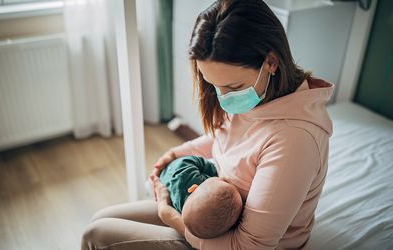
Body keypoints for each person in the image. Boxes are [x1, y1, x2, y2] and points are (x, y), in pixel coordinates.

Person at [81, 0, 334, 249]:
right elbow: (229, 139)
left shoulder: (294, 141)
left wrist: (173, 219)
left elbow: (249, 246)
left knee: (97, 234)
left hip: (235, 241)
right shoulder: (261, 95)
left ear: (271, 62)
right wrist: (178, 152)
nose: (223, 99)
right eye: (214, 85)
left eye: (233, 87)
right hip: (210, 217)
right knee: (100, 219)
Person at [157, 156, 243, 239]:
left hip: (164, 175)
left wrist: (212, 169)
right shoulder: (195, 218)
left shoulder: (186, 178)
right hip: (163, 186)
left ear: (193, 188)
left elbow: (185, 161)